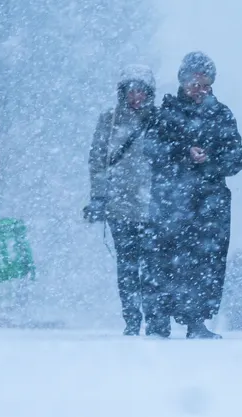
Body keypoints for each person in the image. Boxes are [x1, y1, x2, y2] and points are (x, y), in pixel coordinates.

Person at [148, 52, 242, 339]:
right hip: (170, 200)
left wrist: (211, 159)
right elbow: (152, 150)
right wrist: (183, 152)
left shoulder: (221, 115)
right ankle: (158, 320)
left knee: (207, 261)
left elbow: (239, 156)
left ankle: (197, 320)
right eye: (195, 83)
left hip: (210, 202)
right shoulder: (165, 114)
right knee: (165, 257)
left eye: (206, 84)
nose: (200, 90)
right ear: (182, 81)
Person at [87, 65, 158, 336]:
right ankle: (131, 318)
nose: (136, 97)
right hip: (120, 206)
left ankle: (153, 317)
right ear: (123, 93)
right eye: (131, 91)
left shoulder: (158, 119)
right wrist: (98, 196)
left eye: (141, 91)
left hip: (152, 206)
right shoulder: (109, 121)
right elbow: (97, 161)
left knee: (151, 265)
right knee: (127, 266)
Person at [222, 250, 242, 332]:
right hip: (233, 293)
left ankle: (240, 326)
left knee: (240, 310)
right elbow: (227, 279)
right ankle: (233, 326)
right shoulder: (231, 267)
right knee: (233, 311)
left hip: (240, 293)